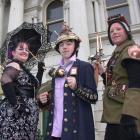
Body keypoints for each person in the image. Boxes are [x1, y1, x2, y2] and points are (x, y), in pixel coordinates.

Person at [38, 23, 98, 140]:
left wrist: (76, 87)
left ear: (76, 47)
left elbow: (94, 97)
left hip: (76, 131)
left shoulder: (84, 66)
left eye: (69, 44)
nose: (64, 47)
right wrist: (44, 101)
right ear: (58, 49)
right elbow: (59, 100)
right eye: (61, 45)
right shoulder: (57, 71)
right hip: (55, 131)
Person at [98, 14, 140, 140]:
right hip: (114, 115)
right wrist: (102, 73)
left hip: (126, 116)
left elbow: (137, 83)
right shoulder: (117, 53)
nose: (114, 32)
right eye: (111, 31)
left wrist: (130, 115)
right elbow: (115, 82)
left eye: (118, 29)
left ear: (126, 31)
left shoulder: (132, 50)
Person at [0, 37, 45, 140]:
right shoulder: (14, 64)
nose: (25, 51)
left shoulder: (22, 68)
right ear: (13, 53)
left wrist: (40, 71)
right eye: (21, 49)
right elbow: (5, 80)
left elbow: (34, 87)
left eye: (27, 49)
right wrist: (17, 105)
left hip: (26, 113)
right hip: (16, 114)